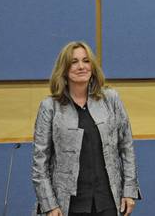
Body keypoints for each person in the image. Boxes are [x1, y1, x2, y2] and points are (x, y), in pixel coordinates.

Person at [32, 41, 141, 216]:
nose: (81, 66)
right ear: (64, 69)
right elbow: (40, 163)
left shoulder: (111, 99)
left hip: (108, 201)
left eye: (86, 61)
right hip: (67, 206)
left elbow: (126, 147)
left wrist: (129, 190)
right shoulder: (50, 107)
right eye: (74, 62)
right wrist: (50, 205)